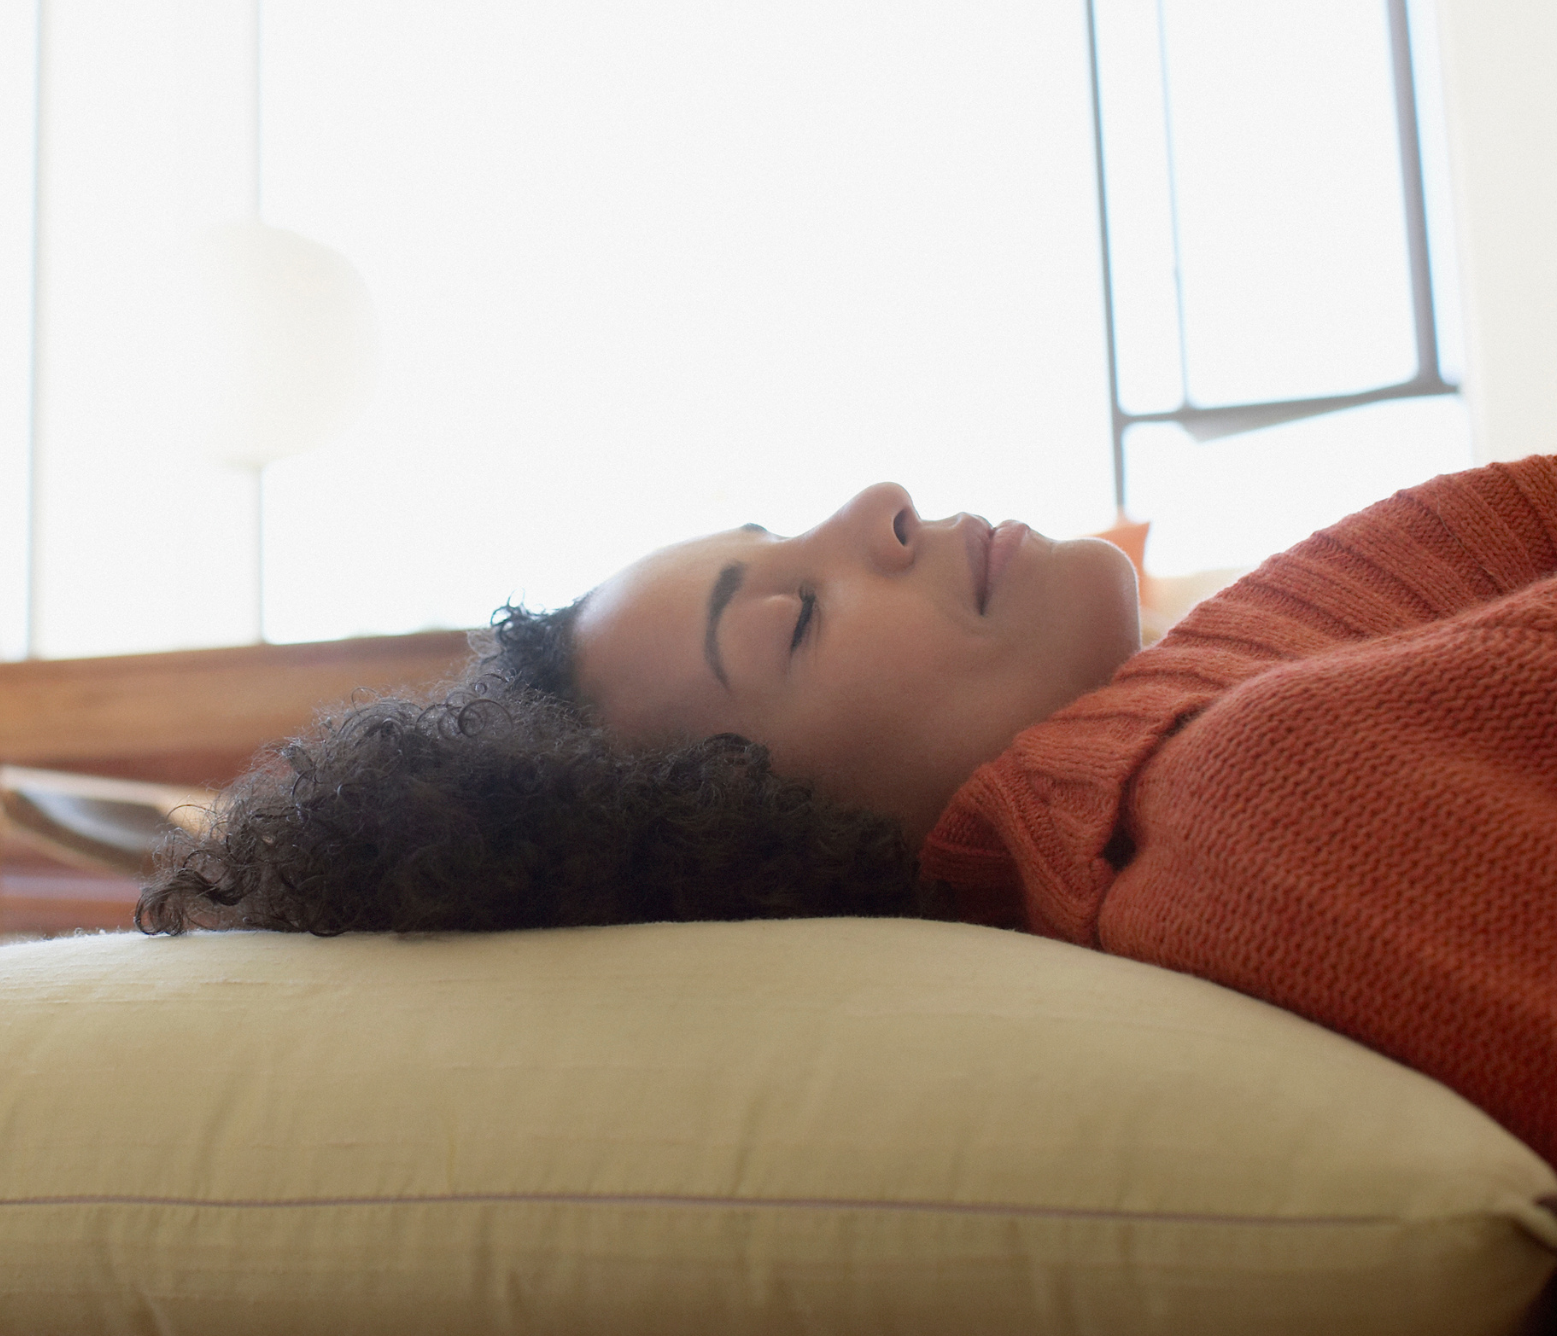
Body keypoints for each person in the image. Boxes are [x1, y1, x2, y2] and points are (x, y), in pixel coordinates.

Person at [141, 456, 1557, 1166]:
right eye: (795, 619)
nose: (879, 501)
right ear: (784, 858)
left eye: (788, 533)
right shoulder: (1252, 806)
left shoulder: (1249, 691)